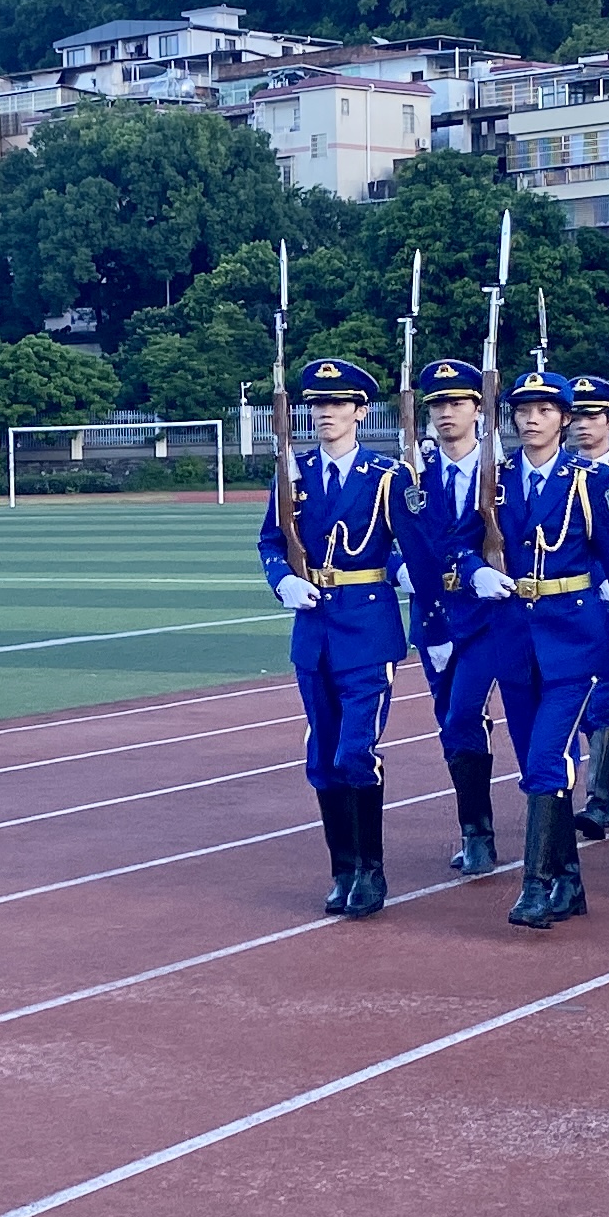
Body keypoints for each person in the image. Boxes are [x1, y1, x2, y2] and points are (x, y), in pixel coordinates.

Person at [432, 370, 609, 931]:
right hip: (513, 637)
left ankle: (536, 885)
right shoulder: (495, 480)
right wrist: (474, 571)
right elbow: (457, 541)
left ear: (564, 419)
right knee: (533, 762)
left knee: (548, 758)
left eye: (545, 410)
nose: (532, 419)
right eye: (524, 410)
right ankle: (569, 883)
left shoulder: (590, 479)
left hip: (573, 638)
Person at [255, 356, 431, 916]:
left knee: (356, 750)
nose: (325, 413)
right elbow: (270, 541)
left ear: (360, 411)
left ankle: (372, 871)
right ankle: (344, 868)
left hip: (368, 628)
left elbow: (410, 548)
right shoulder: (294, 473)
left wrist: (413, 584)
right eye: (317, 405)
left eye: (337, 404)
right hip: (314, 632)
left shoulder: (387, 476)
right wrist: (282, 580)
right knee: (323, 755)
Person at [406, 359, 505, 874]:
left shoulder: (501, 475)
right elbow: (388, 536)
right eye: (438, 405)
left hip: (486, 614)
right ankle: (474, 830)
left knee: (464, 712)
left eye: (457, 402)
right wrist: (400, 569)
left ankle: (481, 835)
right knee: (450, 720)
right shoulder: (413, 476)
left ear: (477, 409)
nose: (447, 413)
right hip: (433, 614)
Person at [561, 376, 609, 837]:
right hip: (574, 606)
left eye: (594, 416)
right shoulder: (561, 474)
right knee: (587, 706)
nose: (583, 425)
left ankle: (601, 796)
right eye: (578, 416)